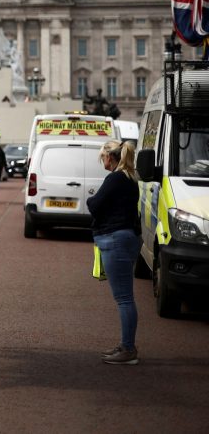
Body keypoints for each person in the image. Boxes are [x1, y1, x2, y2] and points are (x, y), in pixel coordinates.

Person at [87, 140, 141, 365]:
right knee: (125, 297)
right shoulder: (130, 178)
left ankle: (128, 349)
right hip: (126, 237)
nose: (103, 162)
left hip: (115, 239)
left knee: (124, 299)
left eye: (103, 158)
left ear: (110, 157)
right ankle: (125, 345)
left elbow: (95, 205)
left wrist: (91, 197)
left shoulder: (115, 179)